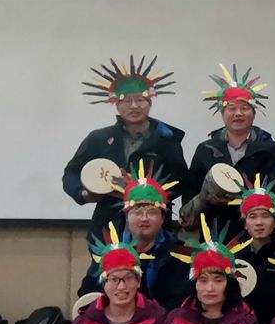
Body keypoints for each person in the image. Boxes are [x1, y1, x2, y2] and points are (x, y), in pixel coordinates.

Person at [62, 55, 189, 236]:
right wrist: (85, 194)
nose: (134, 106)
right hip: (109, 227)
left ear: (149, 102)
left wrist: (143, 189)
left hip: (154, 228)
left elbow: (181, 181)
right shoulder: (99, 138)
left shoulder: (166, 138)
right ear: (117, 104)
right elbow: (71, 173)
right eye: (126, 101)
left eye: (140, 99)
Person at [183, 65, 275, 227]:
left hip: (256, 232)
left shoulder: (269, 149)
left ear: (253, 113)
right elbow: (190, 195)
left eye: (244, 108)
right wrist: (205, 199)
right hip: (213, 230)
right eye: (231, 108)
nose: (238, 113)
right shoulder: (205, 150)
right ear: (222, 113)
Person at [78, 164, 189, 309]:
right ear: (127, 217)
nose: (144, 218)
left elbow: (178, 306)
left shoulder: (178, 256)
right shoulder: (111, 252)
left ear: (162, 218)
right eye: (137, 212)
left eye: (151, 212)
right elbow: (87, 296)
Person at [232, 173, 275, 324]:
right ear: (245, 223)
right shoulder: (235, 259)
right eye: (252, 216)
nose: (259, 222)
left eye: (265, 216)